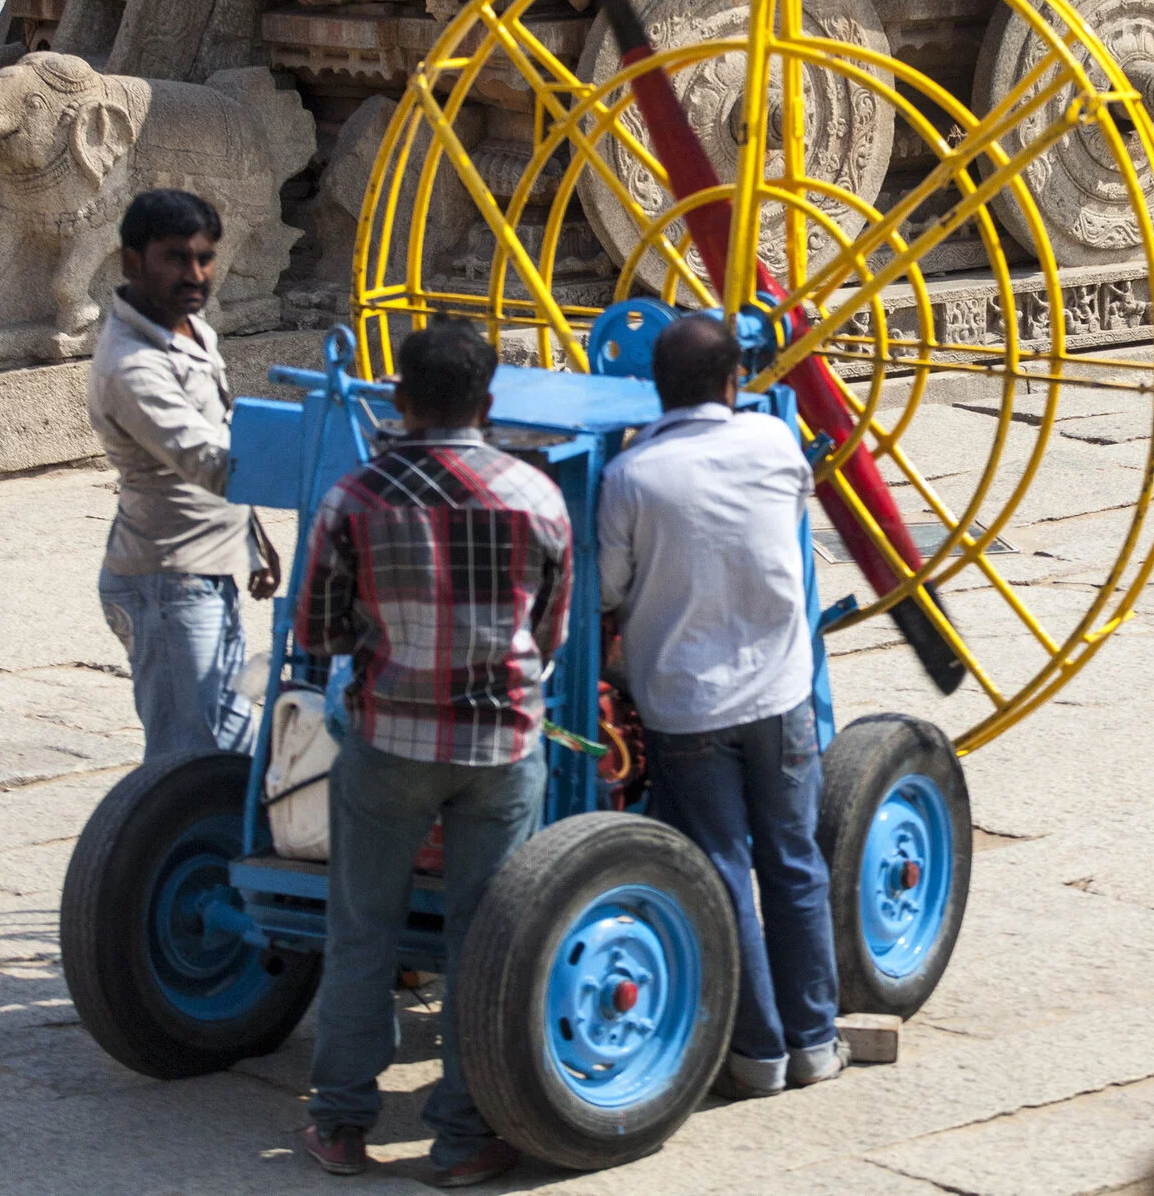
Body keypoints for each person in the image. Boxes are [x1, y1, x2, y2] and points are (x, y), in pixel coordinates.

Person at [293, 320, 570, 1187]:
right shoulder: (537, 497)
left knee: (361, 930)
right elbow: (550, 631)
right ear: (488, 404)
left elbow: (317, 632)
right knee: (481, 940)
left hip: (387, 744)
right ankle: (460, 1139)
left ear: (400, 399)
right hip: (500, 747)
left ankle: (339, 1123)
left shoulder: (353, 497)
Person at [598, 312, 842, 1099]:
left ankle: (756, 1052)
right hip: (781, 696)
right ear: (736, 381)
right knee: (794, 861)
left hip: (686, 708)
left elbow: (605, 589)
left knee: (724, 872)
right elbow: (798, 498)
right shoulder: (773, 443)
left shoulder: (631, 477)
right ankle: (815, 1039)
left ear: (651, 387)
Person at [89, 188, 269, 762]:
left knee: (229, 750)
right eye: (175, 258)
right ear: (132, 262)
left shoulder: (193, 330)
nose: (195, 273)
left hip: (208, 573)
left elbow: (226, 432)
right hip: (167, 584)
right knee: (192, 762)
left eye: (204, 257)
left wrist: (255, 542)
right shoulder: (133, 365)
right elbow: (212, 461)